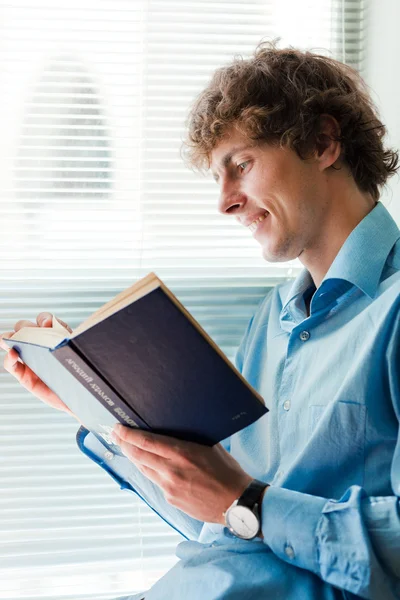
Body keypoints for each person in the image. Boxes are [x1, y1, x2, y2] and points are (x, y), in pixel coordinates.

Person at [1, 41, 400, 600]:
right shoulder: (272, 322)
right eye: (218, 175)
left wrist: (248, 502)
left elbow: (243, 508)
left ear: (323, 143)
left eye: (241, 165)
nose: (225, 203)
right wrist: (91, 403)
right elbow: (217, 519)